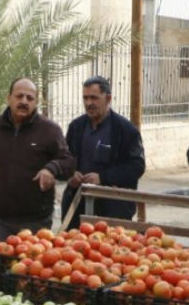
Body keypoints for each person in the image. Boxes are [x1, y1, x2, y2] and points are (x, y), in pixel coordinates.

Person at [0, 78, 75, 255]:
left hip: (36, 222)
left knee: (29, 276)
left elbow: (68, 163)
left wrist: (51, 168)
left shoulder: (49, 130)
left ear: (36, 102)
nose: (24, 101)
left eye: (30, 98)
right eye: (19, 96)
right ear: (9, 98)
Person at [60, 76, 145, 229]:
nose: (88, 103)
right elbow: (64, 159)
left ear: (108, 98)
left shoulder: (126, 131)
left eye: (94, 98)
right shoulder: (76, 127)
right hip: (77, 206)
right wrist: (70, 174)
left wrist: (102, 178)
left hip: (113, 210)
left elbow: (137, 166)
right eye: (85, 98)